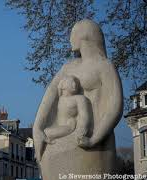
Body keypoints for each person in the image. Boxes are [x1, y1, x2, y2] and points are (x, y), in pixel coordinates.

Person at [33, 19, 123, 179]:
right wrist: (37, 129)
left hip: (94, 145)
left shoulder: (104, 66)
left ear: (84, 36)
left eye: (72, 35)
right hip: (62, 144)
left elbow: (114, 107)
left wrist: (94, 139)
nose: (69, 40)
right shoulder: (68, 67)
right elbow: (50, 96)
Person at [44, 75, 92, 144]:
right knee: (45, 132)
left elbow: (84, 116)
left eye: (75, 82)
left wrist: (82, 129)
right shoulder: (59, 99)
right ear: (63, 86)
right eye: (71, 82)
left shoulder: (79, 98)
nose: (74, 84)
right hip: (59, 127)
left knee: (47, 133)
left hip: (69, 127)